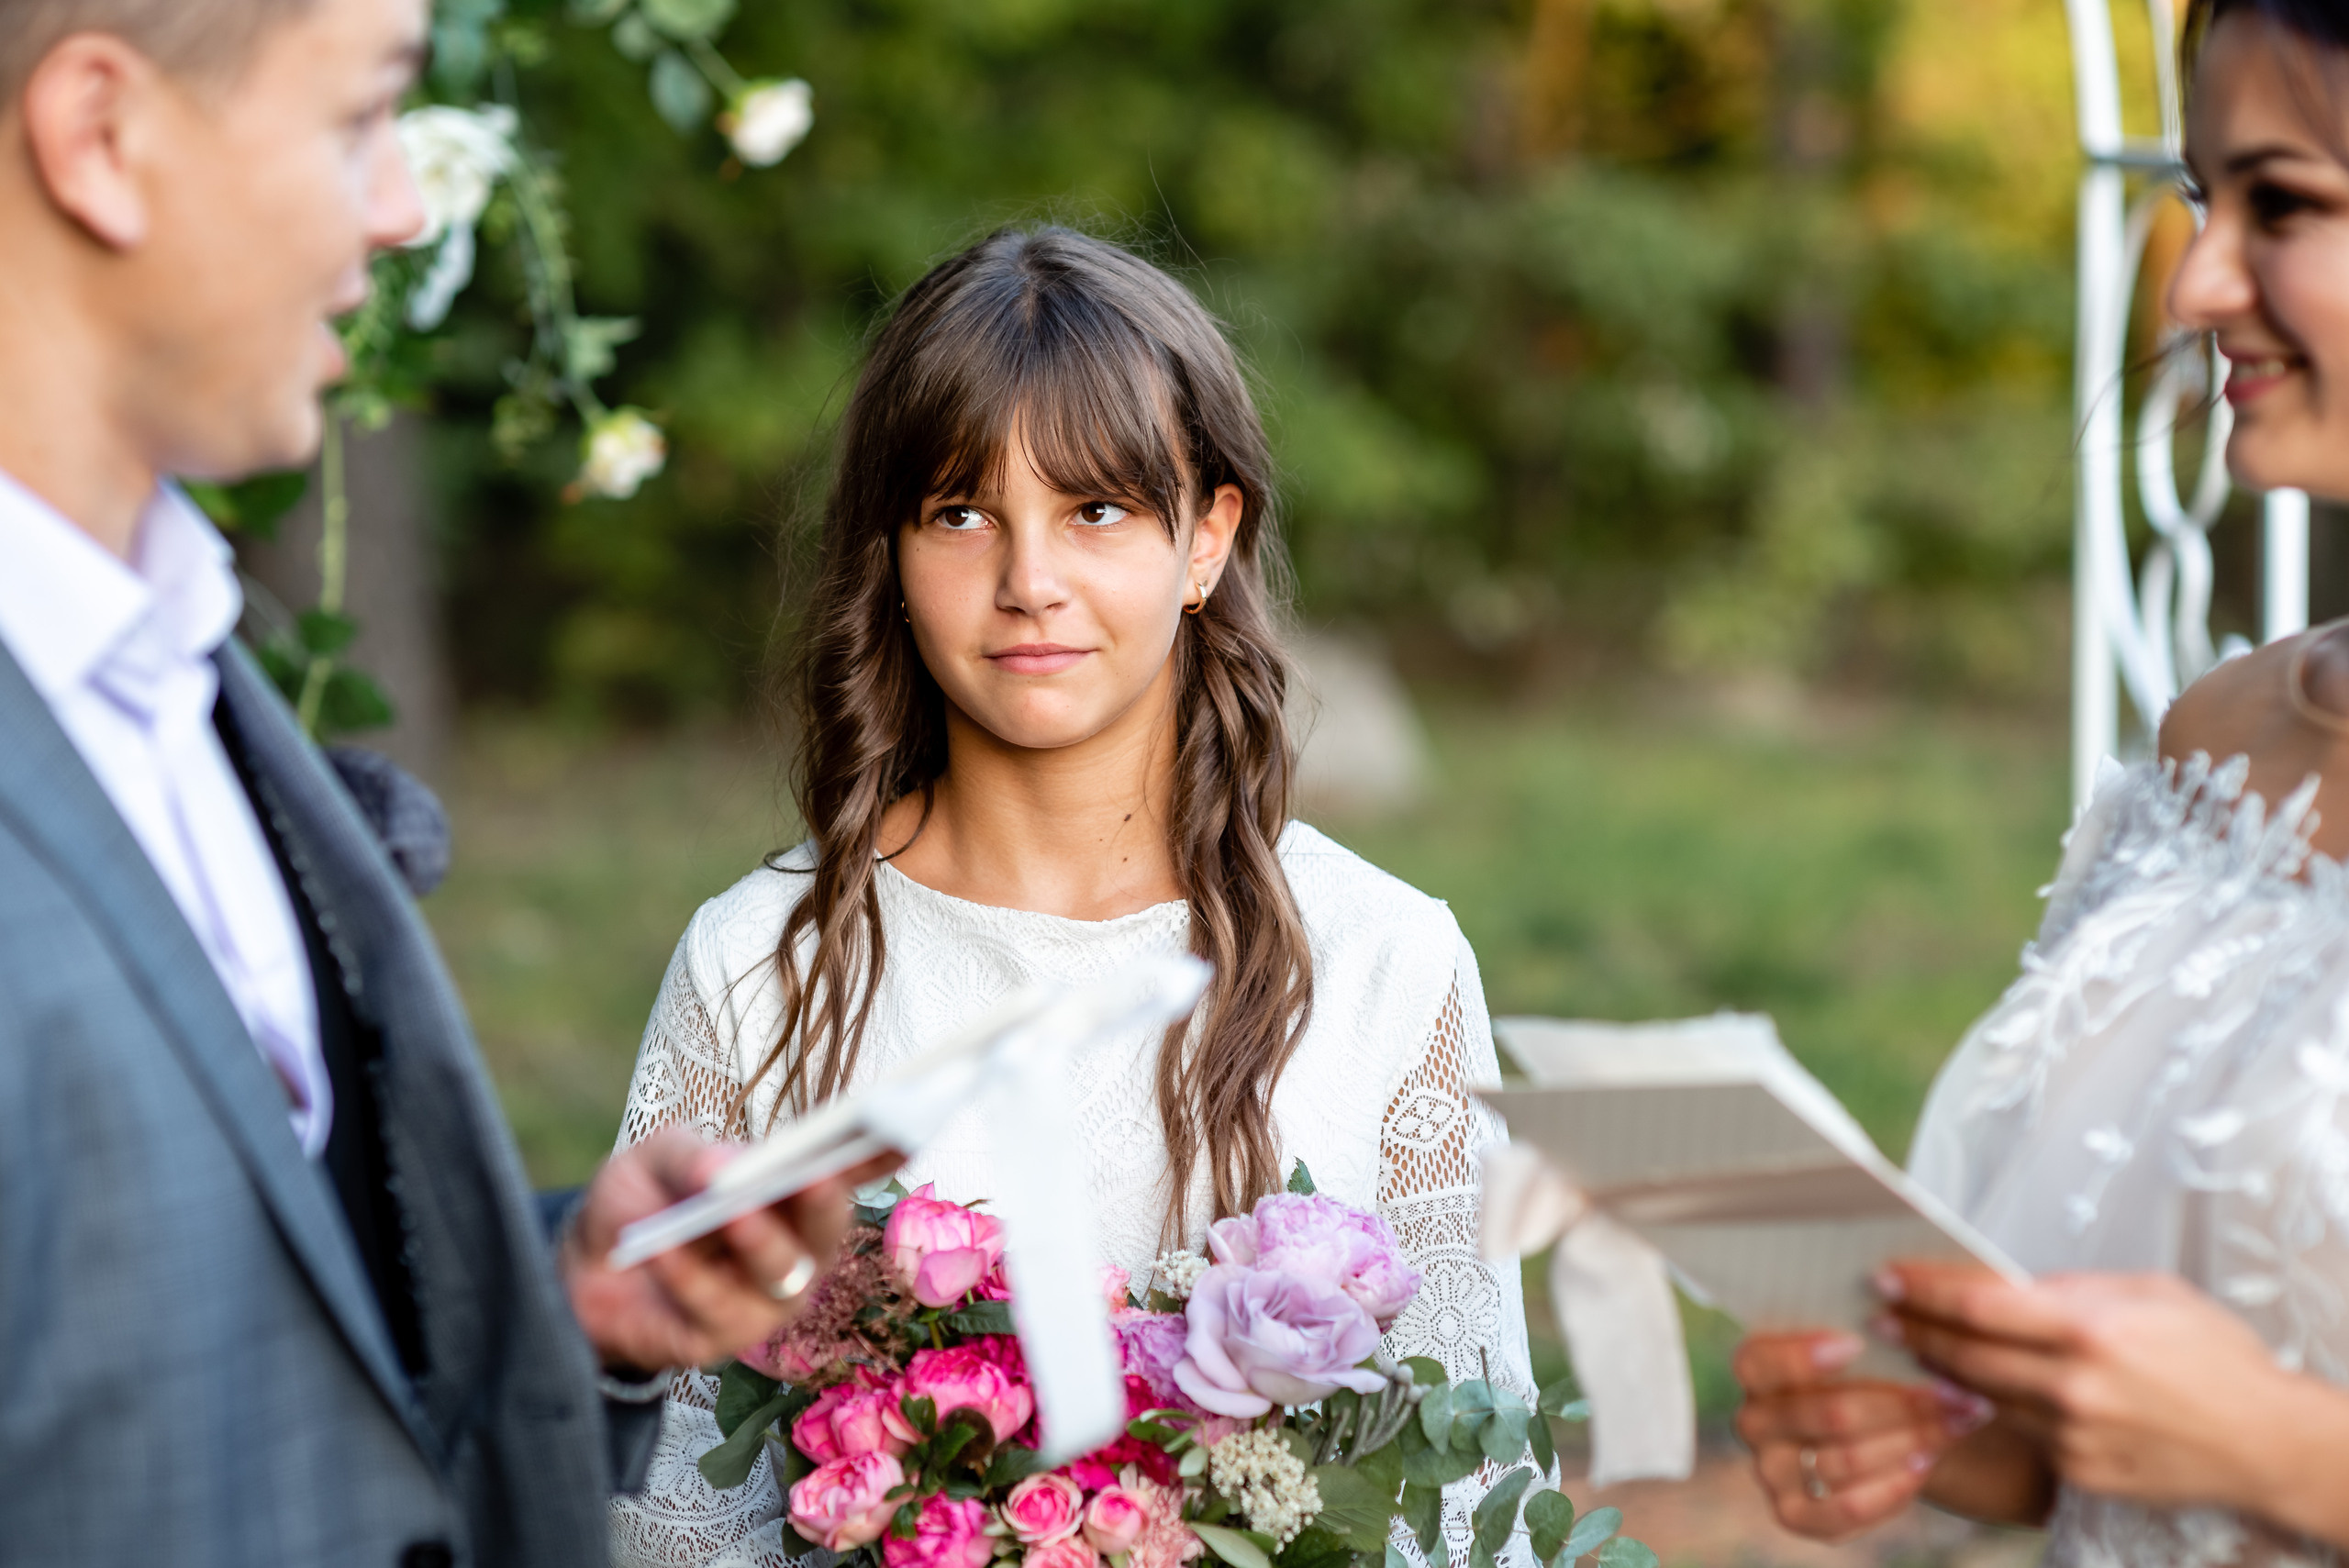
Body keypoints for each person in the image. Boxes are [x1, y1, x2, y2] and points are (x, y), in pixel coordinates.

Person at [0, 2, 875, 1562]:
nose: (404, 206)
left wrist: (552, 1301)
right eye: (356, 122)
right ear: (98, 139)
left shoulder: (184, 670)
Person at [605, 227, 1535, 1568]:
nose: (1027, 581)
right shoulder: (759, 965)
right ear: (894, 553)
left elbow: (1469, 1504)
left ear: (1208, 536)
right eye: (962, 513)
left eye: (1094, 510)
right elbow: (670, 1512)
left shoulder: (1386, 959)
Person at [1731, 3, 2349, 1563]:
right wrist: (1936, 1420)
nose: (2202, 283)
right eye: (2207, 203)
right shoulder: (2223, 743)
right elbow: (2081, 1444)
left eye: (2284, 205)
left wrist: (2285, 1451)